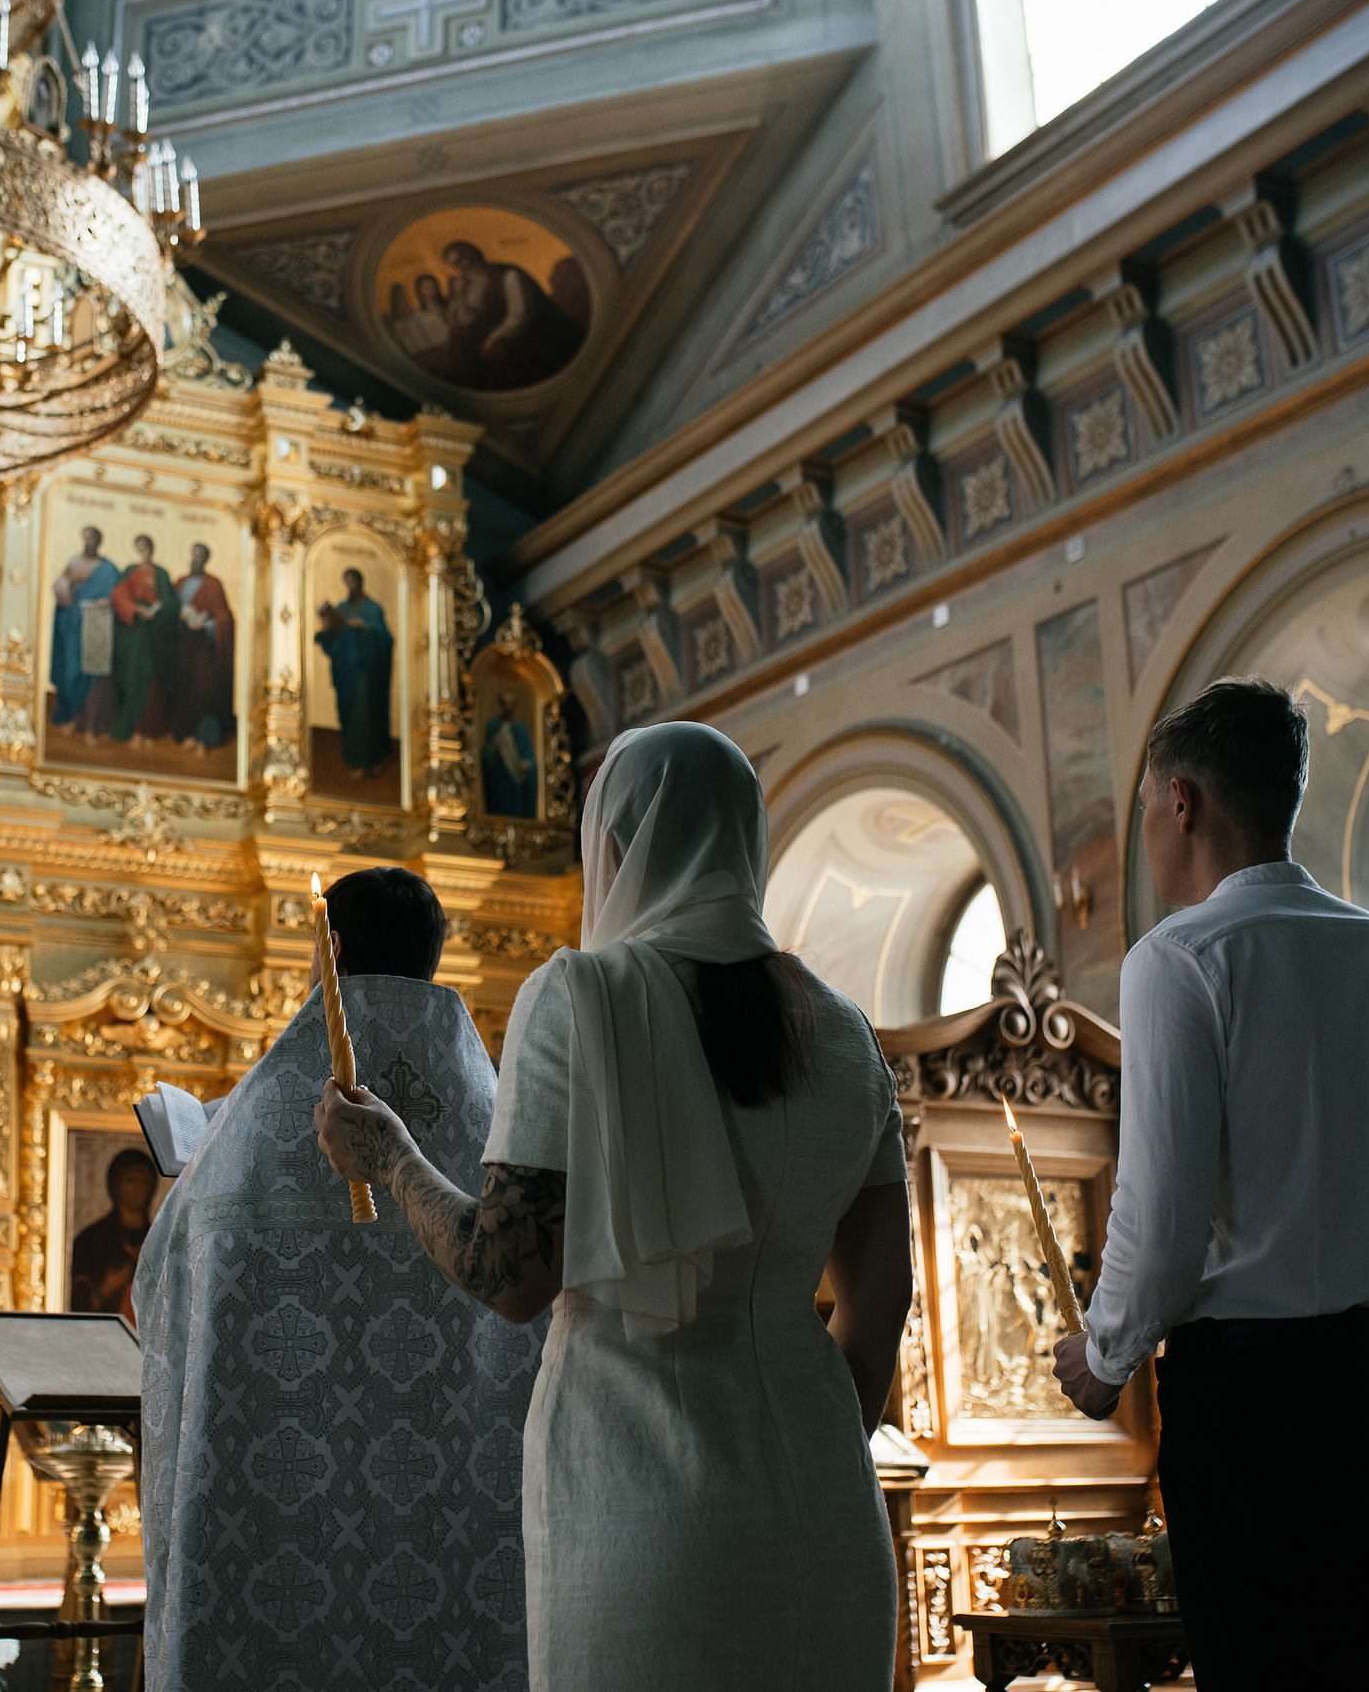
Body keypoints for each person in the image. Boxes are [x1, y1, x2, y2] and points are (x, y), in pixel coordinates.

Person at [314, 723, 913, 1691]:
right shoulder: (841, 1030)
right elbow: (879, 1302)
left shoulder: (580, 997)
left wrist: (390, 1156)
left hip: (643, 1502)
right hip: (825, 1507)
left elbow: (508, 1274)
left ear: (617, 848)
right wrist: (804, 1442)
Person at [1051, 677, 1369, 1689]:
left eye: (1147, 819)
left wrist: (1104, 1354)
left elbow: (1160, 1226)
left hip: (1262, 1419)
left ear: (1181, 803)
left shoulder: (1177, 958)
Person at [138, 866, 540, 1692]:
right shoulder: (491, 1111)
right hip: (455, 1516)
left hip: (282, 1519)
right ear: (434, 955)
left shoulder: (262, 1115)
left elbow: (165, 1277)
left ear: (333, 949)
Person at [440, 240, 582, 391]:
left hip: (531, 331)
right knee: (458, 336)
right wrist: (460, 296)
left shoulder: (508, 275)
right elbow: (466, 320)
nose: (461, 267)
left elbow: (519, 316)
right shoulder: (465, 285)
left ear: (472, 255)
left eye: (462, 259)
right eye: (454, 264)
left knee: (499, 350)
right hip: (492, 331)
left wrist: (492, 338)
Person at [315, 567, 392, 779]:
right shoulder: (342, 608)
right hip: (346, 673)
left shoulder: (372, 609)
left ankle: (375, 760)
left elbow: (385, 638)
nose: (350, 586)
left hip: (366, 674)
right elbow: (335, 642)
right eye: (347, 582)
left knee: (367, 715)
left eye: (353, 582)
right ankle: (356, 761)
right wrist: (328, 628)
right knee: (350, 717)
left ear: (360, 582)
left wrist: (366, 627)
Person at [69, 1148, 157, 1320]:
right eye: (131, 1180)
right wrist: (108, 1286)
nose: (138, 1187)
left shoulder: (161, 1240)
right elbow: (77, 1306)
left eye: (144, 1181)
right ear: (115, 1185)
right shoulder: (90, 1240)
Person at [107, 534, 180, 745]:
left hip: (155, 634)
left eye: (146, 547)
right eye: (139, 548)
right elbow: (118, 595)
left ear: (152, 549)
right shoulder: (130, 571)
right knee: (133, 679)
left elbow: (172, 604)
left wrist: (158, 611)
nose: (143, 552)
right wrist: (137, 609)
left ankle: (147, 731)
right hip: (134, 632)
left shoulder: (162, 573)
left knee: (151, 681)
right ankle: (133, 730)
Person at [49, 524, 119, 733]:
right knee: (70, 672)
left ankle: (89, 723)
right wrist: (72, 580)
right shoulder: (74, 562)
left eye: (93, 539)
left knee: (92, 676)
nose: (89, 542)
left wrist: (106, 602)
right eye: (86, 538)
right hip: (71, 627)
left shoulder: (108, 568)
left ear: (99, 542)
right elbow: (59, 589)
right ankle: (72, 716)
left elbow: (117, 596)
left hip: (96, 627)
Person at [170, 541, 234, 753]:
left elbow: (225, 617)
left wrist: (207, 623)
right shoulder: (180, 582)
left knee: (204, 689)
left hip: (204, 647)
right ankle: (189, 733)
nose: (196, 558)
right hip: (182, 644)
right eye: (194, 554)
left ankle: (204, 738)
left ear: (206, 559)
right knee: (185, 688)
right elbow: (170, 607)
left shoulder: (213, 583)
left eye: (200, 555)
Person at [482, 688, 537, 818]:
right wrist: (494, 748)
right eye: (506, 703)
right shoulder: (493, 725)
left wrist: (527, 764)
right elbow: (485, 755)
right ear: (501, 705)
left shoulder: (520, 728)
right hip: (500, 780)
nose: (509, 707)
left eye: (511, 704)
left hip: (517, 782)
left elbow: (530, 757)